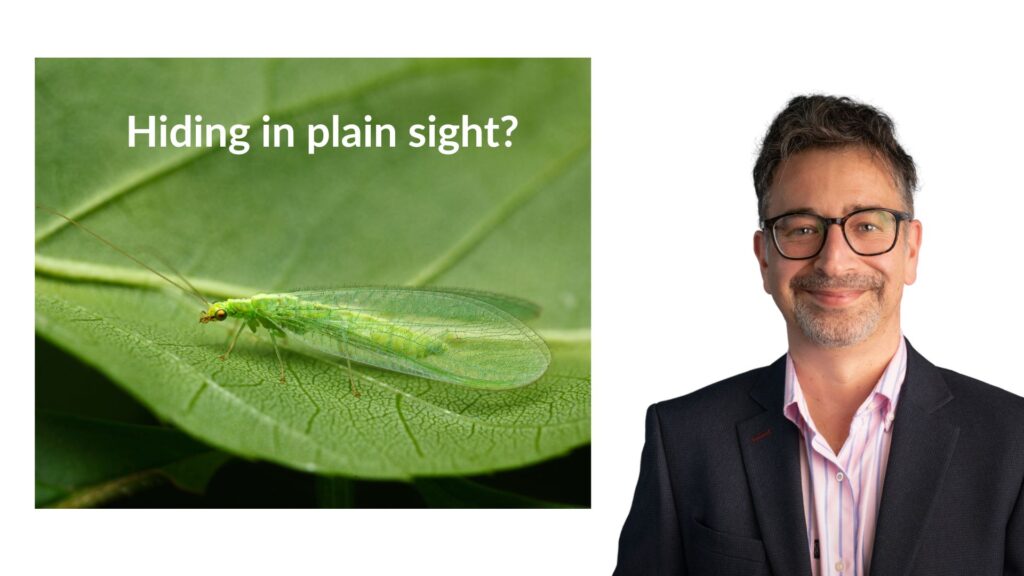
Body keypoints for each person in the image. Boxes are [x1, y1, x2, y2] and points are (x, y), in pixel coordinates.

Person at [614, 95, 1024, 576]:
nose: (834, 260)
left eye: (867, 225)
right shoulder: (684, 439)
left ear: (910, 250)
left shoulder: (1011, 442)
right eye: (803, 228)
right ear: (764, 257)